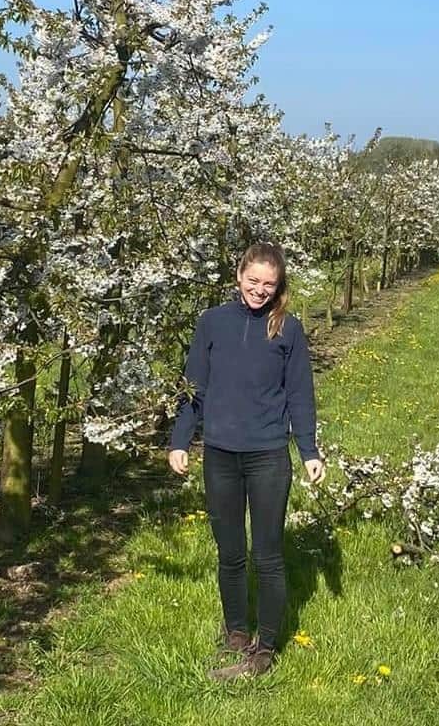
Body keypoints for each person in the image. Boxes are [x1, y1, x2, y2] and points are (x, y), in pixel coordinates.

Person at [167, 242, 326, 681]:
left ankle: (266, 646)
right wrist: (180, 440)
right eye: (253, 281)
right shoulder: (212, 322)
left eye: (268, 284)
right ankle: (236, 632)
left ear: (279, 287)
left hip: (268, 455)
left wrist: (308, 450)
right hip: (220, 454)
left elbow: (300, 396)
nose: (259, 290)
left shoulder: (288, 330)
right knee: (230, 553)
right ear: (238, 277)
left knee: (268, 555)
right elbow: (193, 388)